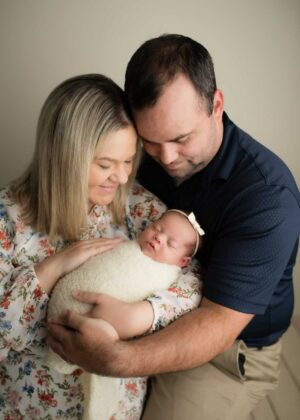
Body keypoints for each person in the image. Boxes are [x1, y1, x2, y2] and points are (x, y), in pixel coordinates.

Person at [48, 34, 300, 420]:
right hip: (134, 309)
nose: (166, 157)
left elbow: (217, 324)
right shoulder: (137, 150)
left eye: (181, 139)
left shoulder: (267, 198)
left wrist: (114, 357)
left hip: (226, 350)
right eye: (150, 141)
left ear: (216, 105)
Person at [0, 73, 201, 419]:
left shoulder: (135, 206)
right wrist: (51, 270)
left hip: (115, 407)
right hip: (32, 407)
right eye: (106, 165)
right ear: (64, 158)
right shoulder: (8, 219)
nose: (122, 177)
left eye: (128, 161)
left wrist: (140, 315)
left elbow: (193, 278)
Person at [47, 209, 204, 420]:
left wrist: (134, 316)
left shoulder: (168, 277)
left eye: (171, 244)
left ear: (182, 262)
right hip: (61, 310)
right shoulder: (126, 244)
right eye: (157, 228)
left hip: (113, 335)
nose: (159, 237)